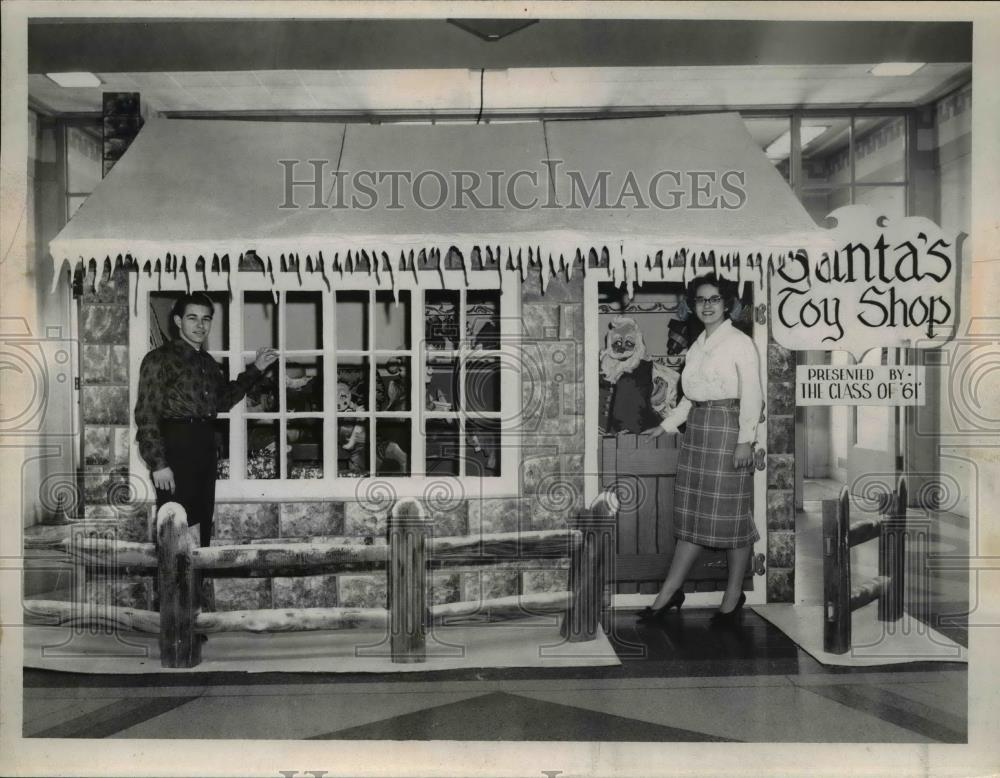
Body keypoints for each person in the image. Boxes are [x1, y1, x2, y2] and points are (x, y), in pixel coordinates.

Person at [639, 273, 763, 627]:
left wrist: (745, 440)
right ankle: (670, 592)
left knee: (732, 516)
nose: (707, 305)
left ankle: (732, 596)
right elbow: (690, 397)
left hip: (728, 430)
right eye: (700, 300)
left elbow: (752, 394)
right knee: (694, 516)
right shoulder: (697, 345)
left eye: (714, 299)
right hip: (699, 431)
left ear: (727, 304)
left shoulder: (739, 342)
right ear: (693, 305)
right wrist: (665, 425)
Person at [135, 292, 278, 550]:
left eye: (206, 319)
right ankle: (175, 589)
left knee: (201, 522)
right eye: (192, 318)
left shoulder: (207, 363)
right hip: (175, 447)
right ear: (178, 321)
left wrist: (256, 368)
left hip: (205, 446)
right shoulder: (158, 359)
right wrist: (158, 464)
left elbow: (223, 400)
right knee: (175, 524)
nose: (200, 325)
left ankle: (196, 588)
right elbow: (146, 415)